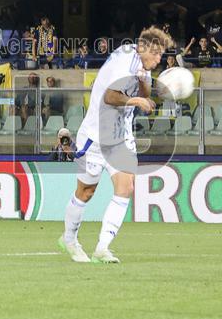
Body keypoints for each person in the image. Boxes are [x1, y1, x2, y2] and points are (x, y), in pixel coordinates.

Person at [60, 27, 170, 264]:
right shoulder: (124, 60)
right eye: (156, 54)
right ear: (143, 48)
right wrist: (136, 100)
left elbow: (146, 92)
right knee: (85, 192)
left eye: (161, 55)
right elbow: (109, 96)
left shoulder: (141, 64)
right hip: (96, 136)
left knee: (126, 187)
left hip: (121, 138)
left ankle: (102, 248)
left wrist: (143, 83)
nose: (159, 59)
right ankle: (69, 240)